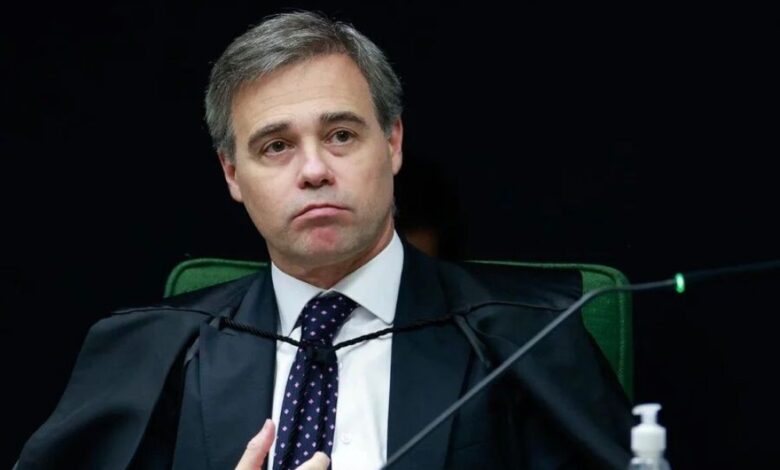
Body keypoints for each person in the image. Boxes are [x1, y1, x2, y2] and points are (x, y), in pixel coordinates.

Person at [16, 11, 633, 470]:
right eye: (275, 146)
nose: (313, 170)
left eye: (341, 135)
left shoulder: (526, 334)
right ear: (232, 175)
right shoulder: (153, 350)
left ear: (392, 143)